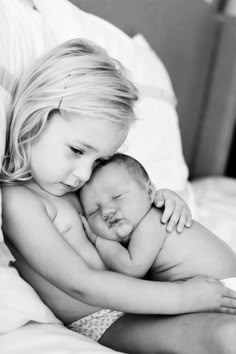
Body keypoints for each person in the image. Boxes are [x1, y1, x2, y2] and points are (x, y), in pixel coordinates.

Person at [1, 38, 236, 354]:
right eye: (77, 150)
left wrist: (165, 199)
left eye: (98, 161)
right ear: (37, 116)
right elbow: (79, 282)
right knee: (225, 337)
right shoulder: (21, 202)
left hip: (150, 296)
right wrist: (184, 297)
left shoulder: (76, 185)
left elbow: (130, 217)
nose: (85, 174)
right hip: (107, 318)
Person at [79, 153, 236, 284]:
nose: (106, 211)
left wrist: (99, 240)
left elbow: (131, 268)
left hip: (224, 286)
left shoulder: (155, 219)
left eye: (117, 196)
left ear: (149, 192)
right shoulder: (139, 234)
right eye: (93, 211)